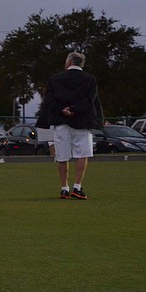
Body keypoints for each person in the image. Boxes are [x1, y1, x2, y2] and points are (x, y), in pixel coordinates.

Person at [36, 51, 103, 200]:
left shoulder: (55, 79)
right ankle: (77, 187)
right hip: (82, 121)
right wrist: (74, 110)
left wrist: (63, 110)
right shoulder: (90, 79)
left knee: (62, 155)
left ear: (68, 62)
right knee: (82, 154)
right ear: (81, 63)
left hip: (61, 121)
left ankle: (64, 188)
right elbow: (89, 100)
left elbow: (50, 101)